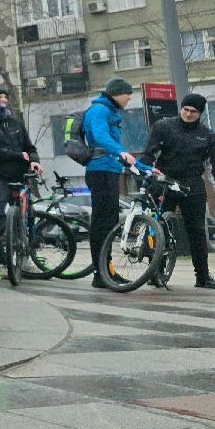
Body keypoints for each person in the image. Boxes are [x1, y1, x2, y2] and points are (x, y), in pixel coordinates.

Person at [140, 92, 215, 288]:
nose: (188, 114)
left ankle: (202, 277)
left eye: (193, 111)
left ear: (199, 113)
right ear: (181, 108)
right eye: (185, 109)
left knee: (197, 232)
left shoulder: (208, 136)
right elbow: (149, 154)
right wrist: (146, 175)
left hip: (192, 184)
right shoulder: (163, 127)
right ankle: (155, 272)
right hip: (165, 181)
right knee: (158, 228)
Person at [82, 77, 143, 289]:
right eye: (128, 94)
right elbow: (100, 136)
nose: (129, 98)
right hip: (100, 172)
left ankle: (107, 271)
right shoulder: (99, 110)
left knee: (108, 224)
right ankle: (100, 274)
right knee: (101, 224)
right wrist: (121, 152)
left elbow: (119, 151)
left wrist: (145, 168)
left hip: (110, 170)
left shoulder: (109, 111)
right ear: (117, 93)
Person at [0, 87, 43, 264]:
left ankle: (25, 254)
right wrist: (17, 156)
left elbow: (29, 147)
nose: (3, 100)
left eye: (5, 97)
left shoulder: (15, 122)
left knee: (27, 213)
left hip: (19, 174)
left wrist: (34, 160)